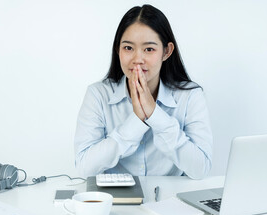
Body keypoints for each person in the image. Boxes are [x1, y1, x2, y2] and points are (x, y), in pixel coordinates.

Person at [74, 4, 212, 179]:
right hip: (116, 202)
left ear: (166, 51)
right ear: (118, 49)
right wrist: (136, 121)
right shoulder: (98, 95)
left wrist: (154, 114)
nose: (137, 59)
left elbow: (200, 169)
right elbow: (84, 168)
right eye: (128, 48)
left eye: (149, 49)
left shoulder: (190, 95)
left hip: (169, 202)